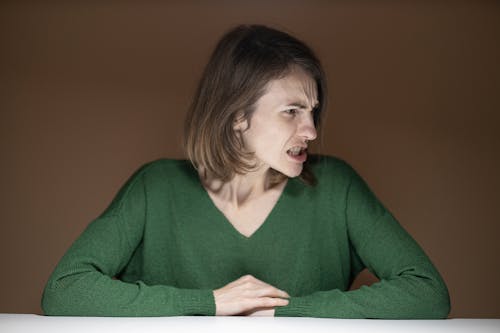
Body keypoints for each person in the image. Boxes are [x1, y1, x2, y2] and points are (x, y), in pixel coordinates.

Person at [41, 24, 450, 318]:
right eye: (292, 111)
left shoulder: (337, 186)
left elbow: (428, 292)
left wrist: (289, 311)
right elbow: (64, 290)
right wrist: (209, 304)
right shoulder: (155, 188)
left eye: (313, 112)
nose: (310, 130)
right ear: (238, 116)